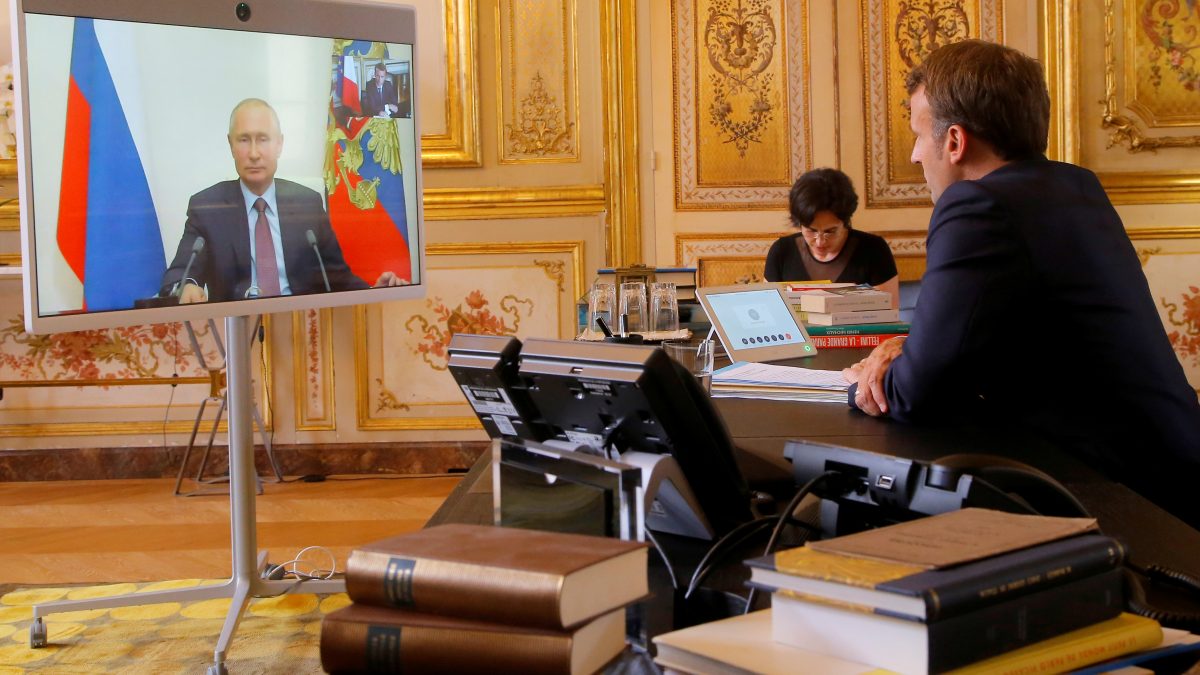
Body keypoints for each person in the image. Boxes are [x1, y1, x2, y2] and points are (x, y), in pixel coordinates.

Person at [843, 40, 1200, 527]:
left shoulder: (977, 206)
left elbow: (913, 393)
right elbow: (986, 337)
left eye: (918, 135)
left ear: (954, 141)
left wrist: (863, 379)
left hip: (1119, 502)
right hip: (1174, 474)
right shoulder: (1073, 186)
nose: (914, 155)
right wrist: (908, 348)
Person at [160, 98, 404, 303]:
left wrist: (373, 292)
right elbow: (180, 274)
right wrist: (187, 286)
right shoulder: (208, 207)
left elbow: (336, 277)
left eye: (263, 139)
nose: (254, 153)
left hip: (300, 327)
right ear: (231, 145)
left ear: (279, 145)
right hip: (237, 332)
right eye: (244, 140)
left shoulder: (307, 203)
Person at [764, 168, 899, 306]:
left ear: (845, 222)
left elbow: (890, 313)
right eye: (811, 230)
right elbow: (771, 312)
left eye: (830, 231)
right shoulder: (781, 251)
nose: (820, 241)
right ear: (799, 223)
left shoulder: (874, 250)